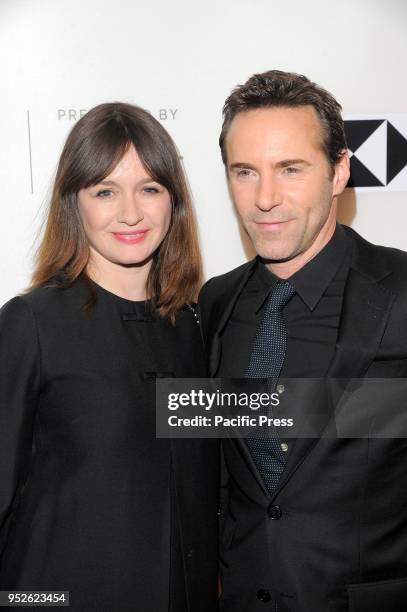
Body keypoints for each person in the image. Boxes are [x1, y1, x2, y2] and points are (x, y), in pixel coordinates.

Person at [198, 70, 407, 612]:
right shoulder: (215, 303)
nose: (264, 198)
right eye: (244, 172)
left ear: (339, 172)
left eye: (290, 169)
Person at [0, 102, 219, 611]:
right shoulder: (31, 324)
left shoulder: (194, 326)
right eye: (105, 191)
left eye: (149, 188)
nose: (130, 213)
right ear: (75, 204)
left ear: (173, 201)